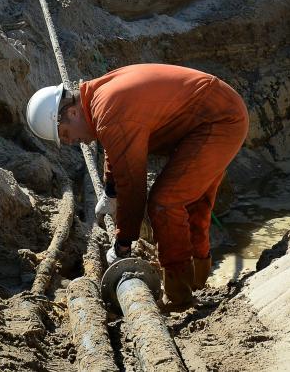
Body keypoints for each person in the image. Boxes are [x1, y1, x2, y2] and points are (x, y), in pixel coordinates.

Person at [26, 64, 248, 309]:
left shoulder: (108, 111)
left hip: (220, 120)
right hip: (211, 112)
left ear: (72, 113)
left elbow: (133, 188)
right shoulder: (98, 97)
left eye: (66, 134)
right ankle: (197, 281)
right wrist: (111, 192)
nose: (73, 142)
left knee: (165, 202)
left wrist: (122, 244)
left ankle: (178, 297)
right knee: (192, 202)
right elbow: (118, 147)